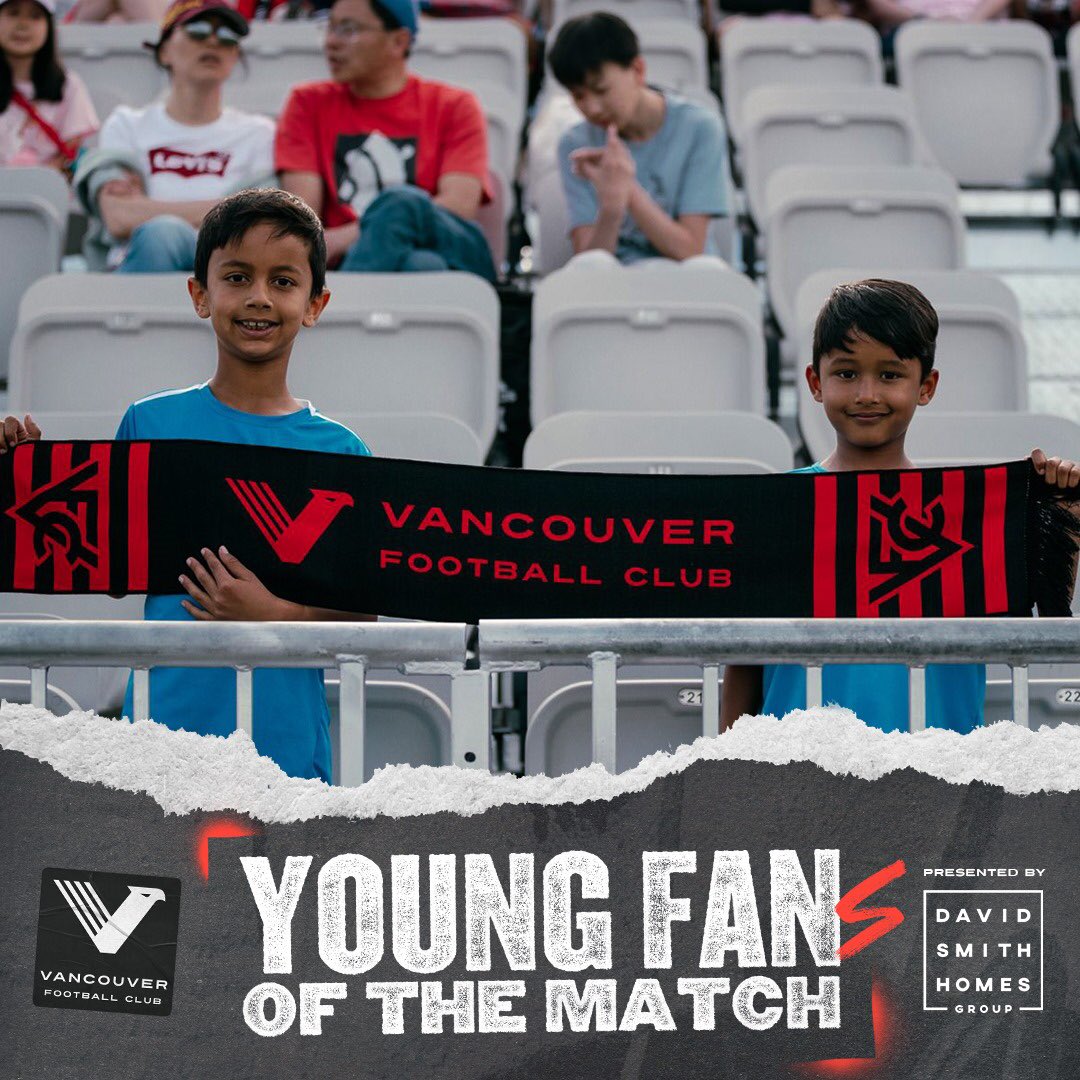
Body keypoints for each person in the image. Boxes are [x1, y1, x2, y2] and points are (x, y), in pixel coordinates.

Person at [720, 278, 1080, 734]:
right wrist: (727, 781)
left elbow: (1040, 627)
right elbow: (744, 665)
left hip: (939, 780)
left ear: (925, 386)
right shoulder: (776, 511)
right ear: (815, 382)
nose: (867, 393)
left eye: (890, 375)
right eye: (846, 373)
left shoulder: (970, 514)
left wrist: (1064, 522)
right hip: (795, 782)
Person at [108, 188, 373, 781]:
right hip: (158, 746)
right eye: (237, 276)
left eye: (283, 281)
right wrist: (16, 470)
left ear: (315, 303)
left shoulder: (344, 454)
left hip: (284, 752)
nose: (259, 297)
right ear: (200, 294)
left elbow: (357, 622)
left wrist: (273, 613)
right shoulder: (147, 425)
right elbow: (105, 564)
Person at [275, 0, 496, 279]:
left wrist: (368, 228)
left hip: (449, 248)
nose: (331, 42)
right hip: (390, 264)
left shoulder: (454, 105)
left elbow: (459, 205)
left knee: (402, 203)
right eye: (329, 27)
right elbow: (302, 215)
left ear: (399, 41)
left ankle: (339, 315)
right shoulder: (307, 103)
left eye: (348, 29)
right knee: (421, 266)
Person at [73, 0, 274, 271]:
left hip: (226, 271)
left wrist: (145, 207)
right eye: (198, 30)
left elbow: (259, 224)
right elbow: (119, 217)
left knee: (164, 231)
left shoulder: (259, 132)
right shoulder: (126, 124)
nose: (213, 41)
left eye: (228, 37)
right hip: (141, 266)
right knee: (161, 235)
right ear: (164, 50)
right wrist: (228, 209)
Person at [547, 12, 729, 266]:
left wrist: (627, 189)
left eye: (601, 90)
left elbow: (690, 250)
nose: (592, 108)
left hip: (688, 284)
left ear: (637, 70)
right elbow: (589, 265)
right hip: (616, 287)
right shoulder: (575, 142)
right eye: (578, 96)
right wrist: (611, 207)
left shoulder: (700, 128)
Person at [0, 0, 97, 170]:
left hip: (47, 192)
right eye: (13, 13)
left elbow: (70, 149)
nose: (23, 25)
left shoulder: (67, 85)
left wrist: (37, 180)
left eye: (35, 16)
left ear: (49, 26)